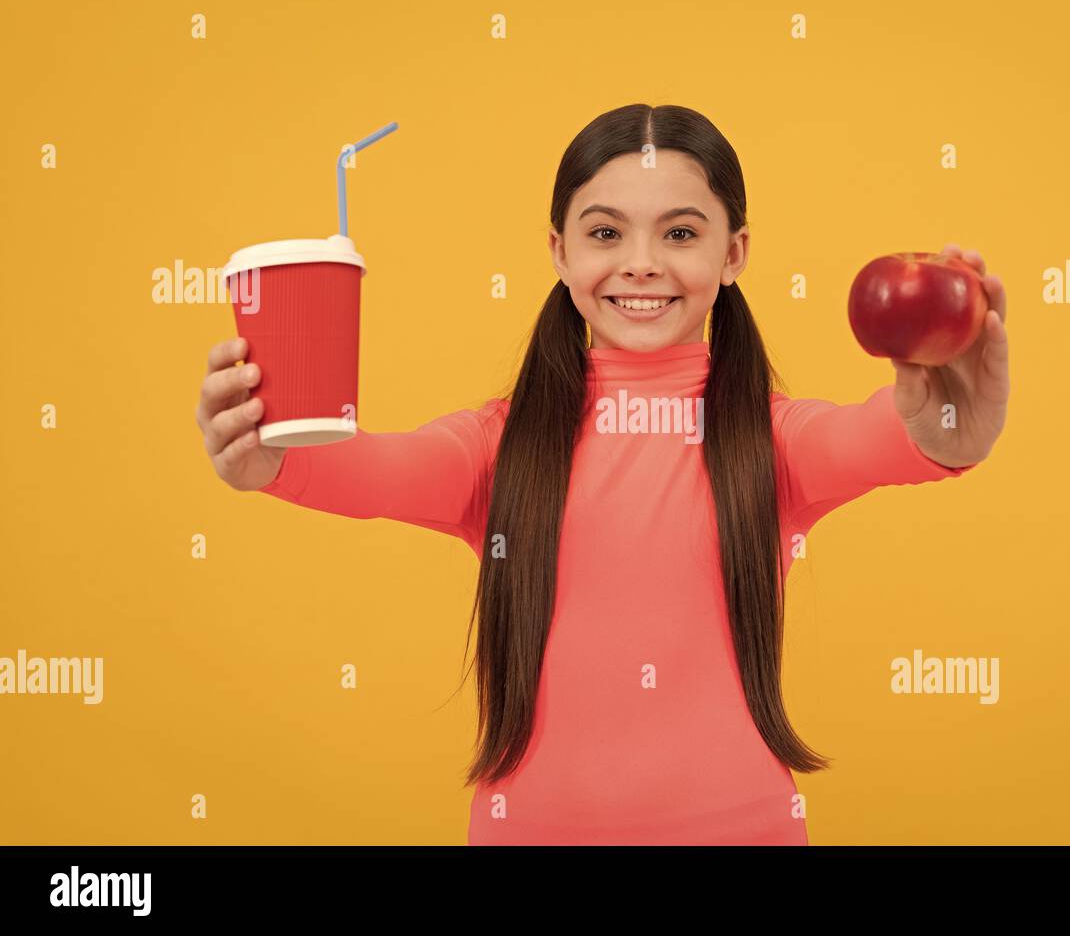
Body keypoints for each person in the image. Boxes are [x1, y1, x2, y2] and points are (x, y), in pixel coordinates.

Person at [194, 104, 1010, 845]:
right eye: (607, 233)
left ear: (736, 254)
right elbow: (378, 467)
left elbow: (877, 437)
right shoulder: (500, 446)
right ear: (559, 251)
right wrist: (268, 454)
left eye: (681, 234)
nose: (643, 264)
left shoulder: (776, 441)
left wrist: (948, 421)